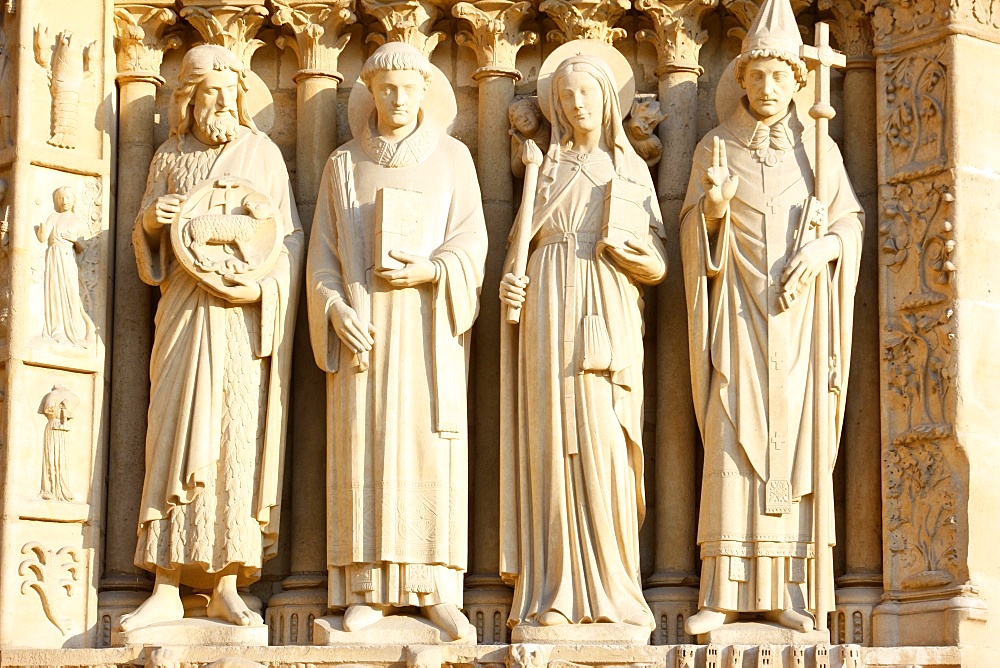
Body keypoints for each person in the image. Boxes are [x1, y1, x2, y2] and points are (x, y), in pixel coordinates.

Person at [679, 0, 863, 635]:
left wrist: (823, 249)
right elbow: (690, 237)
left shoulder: (820, 152)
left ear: (797, 81)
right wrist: (712, 212)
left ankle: (792, 587)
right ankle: (723, 592)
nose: (767, 87)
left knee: (795, 450)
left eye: (779, 76)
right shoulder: (714, 146)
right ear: (741, 80)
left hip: (800, 323)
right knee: (733, 443)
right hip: (737, 318)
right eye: (756, 76)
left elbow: (849, 224)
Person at [307, 42, 487, 641]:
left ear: (425, 91)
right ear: (371, 94)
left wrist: (432, 271)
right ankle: (367, 589)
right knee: (366, 446)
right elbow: (322, 259)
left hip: (428, 326)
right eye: (385, 88)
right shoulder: (342, 163)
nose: (397, 97)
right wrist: (333, 309)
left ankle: (435, 587)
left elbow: (471, 244)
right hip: (367, 333)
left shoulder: (454, 158)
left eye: (408, 87)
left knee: (429, 448)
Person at [120, 44, 302, 631]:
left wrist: (261, 291)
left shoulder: (264, 155)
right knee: (171, 435)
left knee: (231, 438)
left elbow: (284, 240)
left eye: (230, 93)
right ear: (189, 100)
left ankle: (227, 582)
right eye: (208, 93)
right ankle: (166, 582)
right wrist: (152, 222)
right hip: (181, 310)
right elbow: (145, 233)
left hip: (238, 319)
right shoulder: (170, 156)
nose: (220, 103)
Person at [498, 51, 667, 633]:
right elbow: (524, 235)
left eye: (586, 94)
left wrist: (626, 255)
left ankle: (615, 588)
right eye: (565, 97)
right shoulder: (543, 168)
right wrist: (512, 279)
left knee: (602, 440)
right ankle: (556, 589)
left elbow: (658, 264)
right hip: (548, 299)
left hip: (606, 305)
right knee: (550, 441)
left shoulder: (629, 171)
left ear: (607, 100)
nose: (576, 105)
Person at [35, 187, 90, 347]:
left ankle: (73, 330)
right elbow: (43, 238)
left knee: (70, 292)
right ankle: (57, 329)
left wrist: (75, 240)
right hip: (53, 255)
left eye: (67, 198)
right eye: (60, 198)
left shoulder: (78, 221)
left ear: (73, 200)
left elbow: (82, 248)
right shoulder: (53, 217)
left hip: (68, 258)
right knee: (55, 290)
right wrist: (41, 231)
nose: (64, 201)